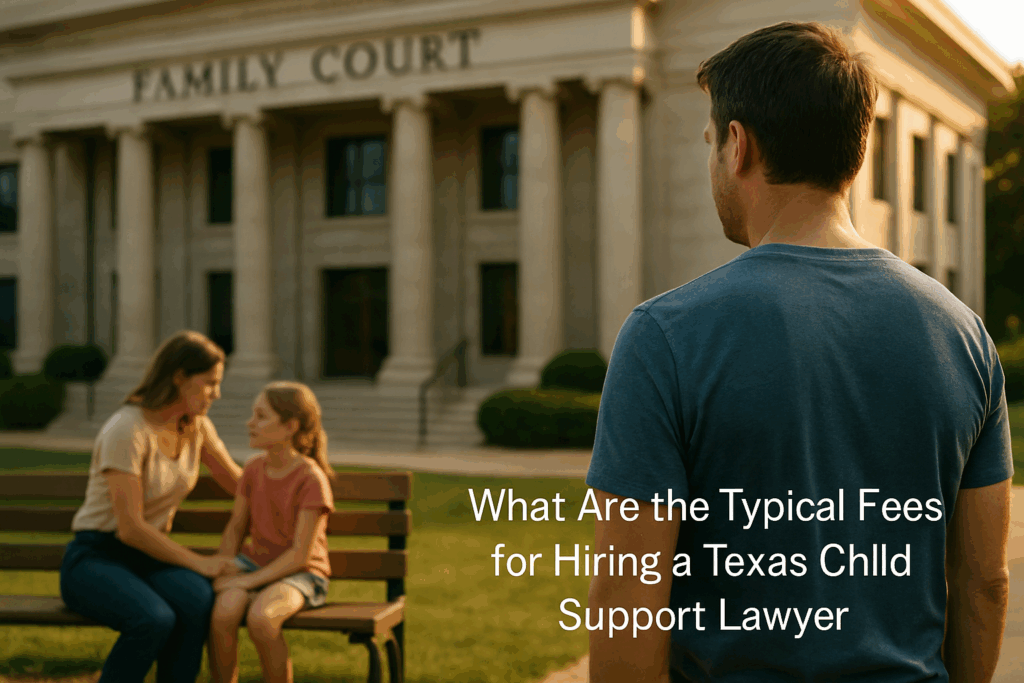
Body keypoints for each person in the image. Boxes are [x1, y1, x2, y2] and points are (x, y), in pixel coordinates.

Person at [586, 21, 1013, 683]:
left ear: (737, 145)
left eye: (709, 142)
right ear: (856, 148)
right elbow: (984, 580)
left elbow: (627, 601)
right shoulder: (967, 338)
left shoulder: (661, 336)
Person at [59, 330, 243, 683]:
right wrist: (199, 562)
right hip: (96, 558)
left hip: (150, 559)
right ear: (179, 378)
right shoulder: (127, 429)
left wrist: (291, 479)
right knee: (153, 619)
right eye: (209, 383)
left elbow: (238, 483)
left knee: (196, 603)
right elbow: (129, 528)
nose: (216, 394)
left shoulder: (196, 426)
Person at [209, 381, 336, 683]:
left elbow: (300, 556)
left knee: (263, 620)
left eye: (261, 416)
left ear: (290, 426)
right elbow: (237, 526)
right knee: (222, 615)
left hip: (302, 574)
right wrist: (224, 566)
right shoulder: (253, 469)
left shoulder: (311, 479)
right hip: (255, 565)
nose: (250, 423)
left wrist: (248, 581)